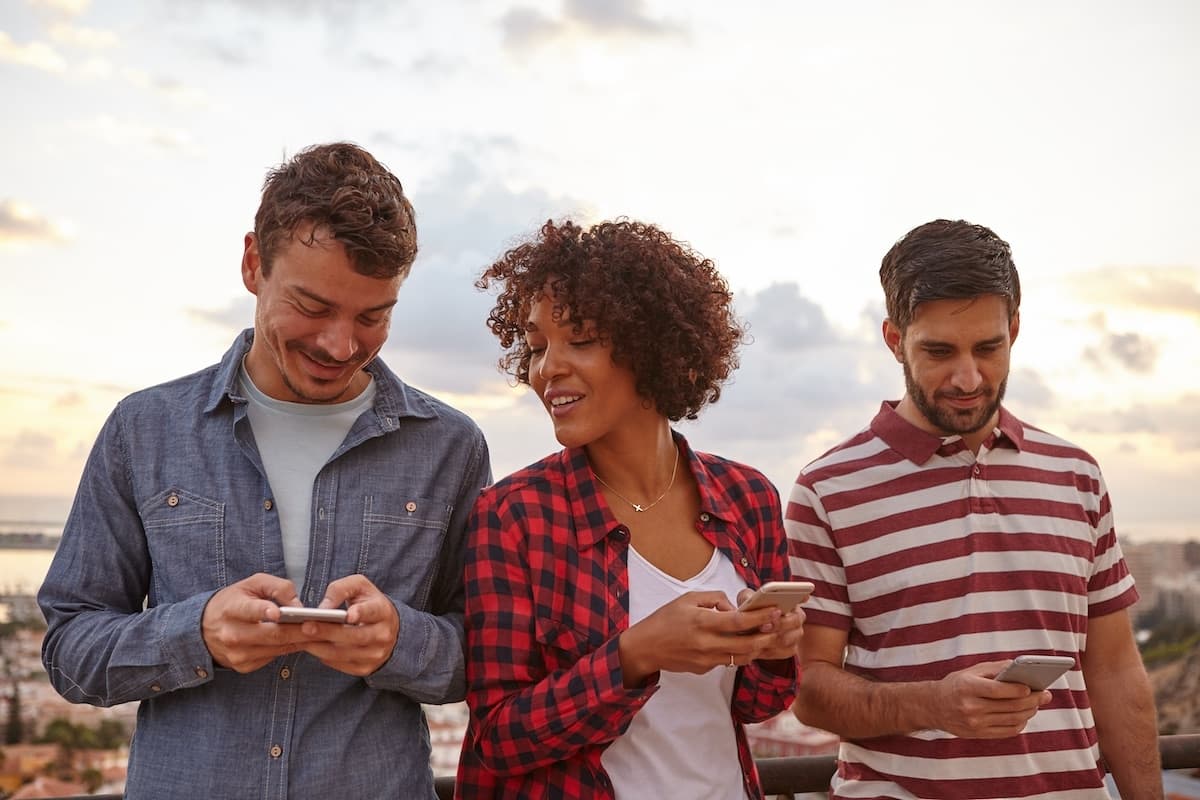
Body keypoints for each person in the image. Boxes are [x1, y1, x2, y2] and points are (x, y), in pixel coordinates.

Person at [38, 142, 491, 799]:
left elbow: (487, 656)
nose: (341, 345)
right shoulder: (142, 431)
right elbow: (69, 651)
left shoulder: (451, 448)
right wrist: (195, 634)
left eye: (372, 317)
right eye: (312, 306)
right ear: (253, 263)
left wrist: (403, 642)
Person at [786, 219, 1163, 799]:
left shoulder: (1077, 475)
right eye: (938, 351)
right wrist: (932, 703)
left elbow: (1113, 669)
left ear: (1014, 329)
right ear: (894, 339)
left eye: (989, 348)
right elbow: (808, 689)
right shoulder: (826, 489)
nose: (968, 378)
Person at [454, 219, 803, 800]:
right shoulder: (511, 516)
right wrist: (635, 655)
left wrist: (773, 649)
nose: (547, 369)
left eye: (581, 341)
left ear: (650, 349)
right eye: (538, 347)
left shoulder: (749, 498)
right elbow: (500, 737)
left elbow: (757, 703)